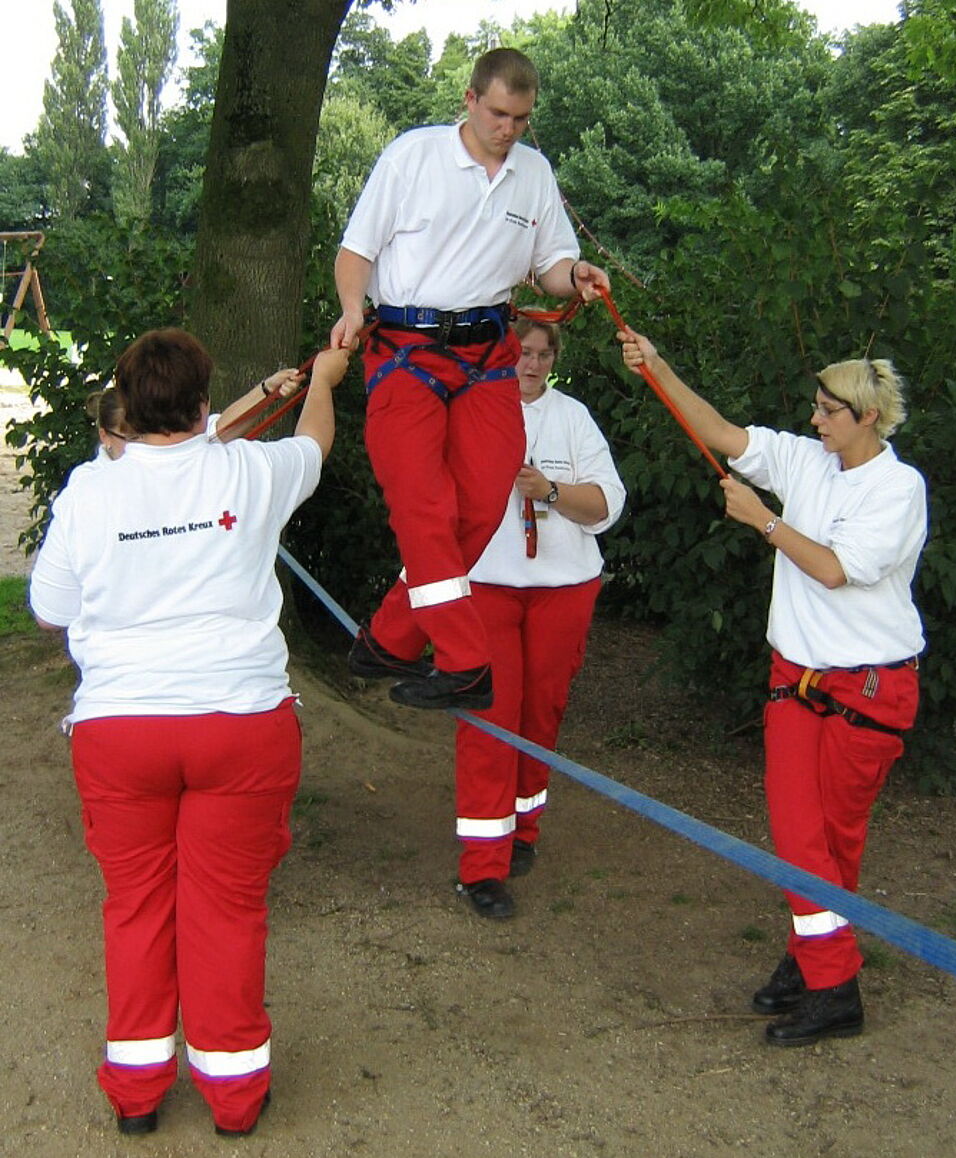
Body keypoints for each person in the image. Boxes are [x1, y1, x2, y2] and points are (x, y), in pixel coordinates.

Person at [29, 329, 350, 1136]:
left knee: (135, 905)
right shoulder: (248, 470)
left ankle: (136, 1093)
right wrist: (325, 380)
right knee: (229, 909)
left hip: (121, 730)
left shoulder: (89, 491)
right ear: (203, 405)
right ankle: (234, 1095)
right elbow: (314, 445)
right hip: (238, 723)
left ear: (123, 409)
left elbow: (50, 609)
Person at [620, 329, 926, 1045]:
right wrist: (657, 367)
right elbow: (723, 435)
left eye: (828, 411)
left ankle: (828, 982)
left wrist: (764, 519)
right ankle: (821, 966)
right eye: (815, 407)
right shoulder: (808, 459)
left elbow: (833, 569)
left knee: (828, 842)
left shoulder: (899, 488)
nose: (814, 420)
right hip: (796, 678)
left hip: (868, 690)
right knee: (801, 836)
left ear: (868, 417)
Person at [331, 46, 610, 711]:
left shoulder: (533, 173)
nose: (508, 129)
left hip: (487, 354)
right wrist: (351, 308)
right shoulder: (413, 156)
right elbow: (356, 251)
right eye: (498, 114)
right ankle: (464, 661)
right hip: (406, 349)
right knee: (423, 506)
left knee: (483, 505)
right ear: (470, 99)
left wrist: (573, 275)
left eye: (521, 118)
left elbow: (549, 263)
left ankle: (393, 637)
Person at [453, 315, 626, 917]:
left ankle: (523, 830)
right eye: (521, 352)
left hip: (562, 588)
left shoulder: (572, 416)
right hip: (487, 585)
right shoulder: (470, 407)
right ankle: (482, 866)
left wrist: (549, 490)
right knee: (489, 717)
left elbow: (606, 503)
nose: (530, 365)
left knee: (540, 713)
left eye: (542, 356)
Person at [88, 366, 304, 461]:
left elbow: (221, 430)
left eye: (145, 432)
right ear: (105, 436)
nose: (145, 443)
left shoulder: (168, 450)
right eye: (133, 438)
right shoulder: (92, 484)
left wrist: (267, 389)